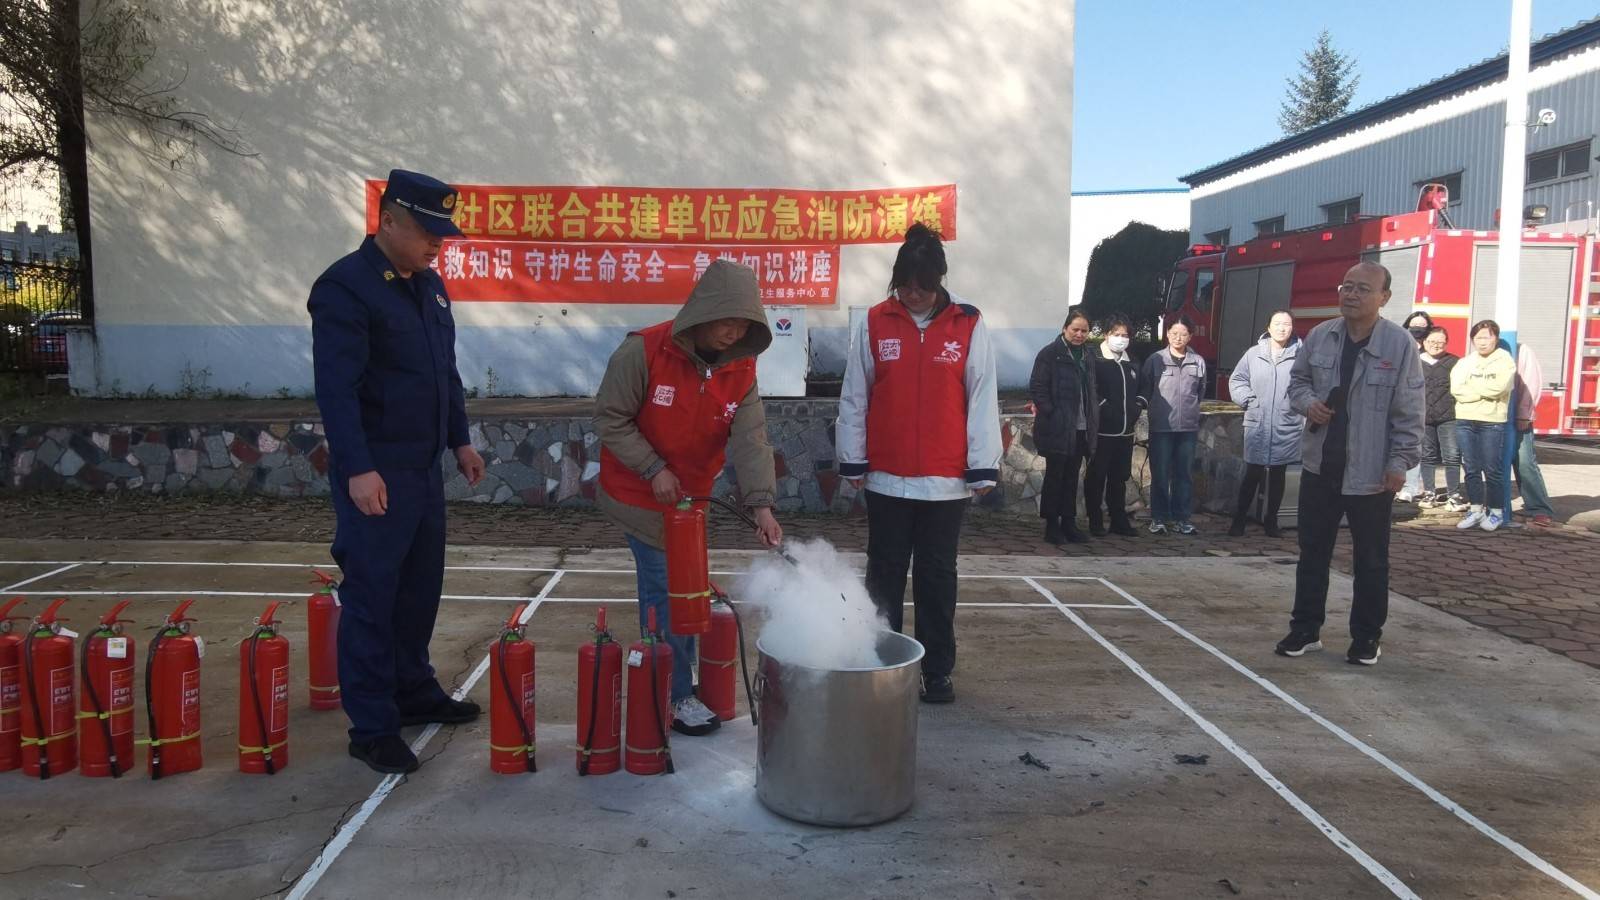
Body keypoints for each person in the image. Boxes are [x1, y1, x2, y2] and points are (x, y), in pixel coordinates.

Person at [310, 170, 488, 774]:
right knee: (372, 597)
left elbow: (446, 374)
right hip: (376, 474)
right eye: (425, 231)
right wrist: (358, 469)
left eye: (443, 233)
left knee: (417, 592)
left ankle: (413, 691)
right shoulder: (347, 288)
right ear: (387, 221)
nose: (437, 243)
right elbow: (337, 389)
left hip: (422, 471)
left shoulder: (431, 287)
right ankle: (372, 726)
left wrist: (459, 440)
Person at [595, 260, 783, 737]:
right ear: (702, 312)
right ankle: (674, 694)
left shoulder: (741, 369)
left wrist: (762, 505)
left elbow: (751, 438)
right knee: (666, 588)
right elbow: (610, 419)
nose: (733, 332)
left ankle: (676, 681)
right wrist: (653, 467)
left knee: (690, 592)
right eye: (727, 320)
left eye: (744, 324)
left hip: (688, 502)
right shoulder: (643, 352)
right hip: (638, 494)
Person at [837, 223, 1001, 705]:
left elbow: (981, 396)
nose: (913, 295)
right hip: (886, 477)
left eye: (922, 288)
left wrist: (982, 465)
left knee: (936, 576)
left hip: (945, 483)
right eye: (905, 286)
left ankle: (937, 670)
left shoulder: (968, 324)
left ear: (939, 283)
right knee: (883, 572)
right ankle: (881, 659)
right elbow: (855, 394)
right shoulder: (875, 321)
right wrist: (852, 458)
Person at [1276, 261, 1424, 666]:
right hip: (1321, 466)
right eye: (1346, 286)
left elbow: (1409, 412)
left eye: (1362, 289)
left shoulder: (1399, 345)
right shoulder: (1322, 337)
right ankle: (1305, 629)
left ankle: (1366, 638)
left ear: (1384, 298)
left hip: (1372, 474)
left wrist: (1399, 464)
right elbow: (1297, 384)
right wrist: (1309, 405)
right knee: (1312, 553)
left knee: (1371, 560)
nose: (1351, 294)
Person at [1227, 310, 1302, 537]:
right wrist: (1248, 400)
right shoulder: (1253, 354)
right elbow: (1237, 380)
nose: (1282, 328)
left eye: (1287, 324)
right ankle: (1239, 520)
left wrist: (1300, 408)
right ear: (1268, 327)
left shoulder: (1302, 355)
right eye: (1277, 324)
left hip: (1286, 422)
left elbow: (1312, 384)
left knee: (1279, 474)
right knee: (1253, 473)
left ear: (1292, 328)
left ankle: (1271, 521)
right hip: (1258, 422)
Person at [1029, 308, 1098, 544]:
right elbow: (1038, 387)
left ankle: (1069, 522)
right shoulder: (1050, 354)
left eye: (1084, 330)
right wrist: (1052, 413)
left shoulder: (1088, 356)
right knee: (1055, 477)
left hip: (1080, 427)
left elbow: (1091, 389)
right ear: (1065, 329)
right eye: (1075, 329)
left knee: (1072, 477)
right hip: (1057, 427)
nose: (1079, 334)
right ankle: (1051, 524)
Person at [1139, 316, 1205, 535]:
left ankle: (1182, 518)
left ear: (1190, 336)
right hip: (1161, 427)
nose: (1178, 338)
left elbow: (1200, 391)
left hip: (1187, 427)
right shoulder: (1155, 360)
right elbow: (1146, 389)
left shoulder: (1198, 362)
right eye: (1174, 333)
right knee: (1159, 473)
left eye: (1184, 334)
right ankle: (1158, 518)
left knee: (1183, 474)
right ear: (1167, 334)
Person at [1450, 319, 1515, 532]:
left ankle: (1496, 511)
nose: (1482, 342)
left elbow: (1499, 387)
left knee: (1492, 468)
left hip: (1492, 422)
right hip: (1465, 420)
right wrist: (1482, 390)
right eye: (1478, 338)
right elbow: (1457, 389)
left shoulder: (1505, 361)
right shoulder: (1464, 362)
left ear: (1495, 338)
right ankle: (1475, 509)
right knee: (1470, 467)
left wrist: (1474, 387)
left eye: (1486, 337)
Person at [1085, 313, 1143, 537]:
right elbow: (1091, 389)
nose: (1121, 338)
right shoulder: (1096, 359)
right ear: (1107, 334)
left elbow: (1143, 388)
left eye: (1125, 335)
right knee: (1097, 476)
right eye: (1116, 334)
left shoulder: (1133, 362)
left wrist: (1138, 405)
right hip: (1102, 431)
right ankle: (1095, 520)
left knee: (1119, 477)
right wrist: (1105, 407)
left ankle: (1119, 519)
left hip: (1125, 432)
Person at [1415, 326, 1466, 512]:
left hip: (1449, 417)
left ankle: (1454, 495)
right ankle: (1429, 492)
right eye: (1432, 341)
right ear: (1424, 342)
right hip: (1423, 417)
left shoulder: (1455, 362)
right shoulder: (1415, 361)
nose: (1436, 345)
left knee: (1452, 456)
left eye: (1440, 342)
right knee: (1426, 456)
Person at [1512, 344, 1558, 527]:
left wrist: (1524, 414)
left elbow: (1531, 383)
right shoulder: (1486, 354)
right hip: (1491, 420)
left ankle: (1539, 508)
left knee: (1524, 463)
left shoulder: (1522, 351)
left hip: (1518, 419)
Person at [1397, 311, 1434, 502]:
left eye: (1422, 325)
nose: (1418, 329)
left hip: (1422, 406)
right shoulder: (1400, 344)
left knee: (1415, 446)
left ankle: (1410, 488)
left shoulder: (1430, 353)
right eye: (1414, 325)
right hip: (1399, 402)